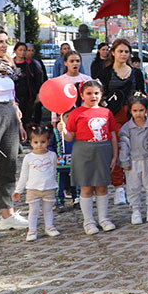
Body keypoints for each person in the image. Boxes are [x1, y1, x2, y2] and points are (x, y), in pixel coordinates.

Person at [62, 80, 119, 235]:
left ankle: (104, 219)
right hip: (83, 152)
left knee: (102, 186)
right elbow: (69, 137)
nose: (93, 96)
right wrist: (63, 131)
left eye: (96, 93)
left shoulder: (106, 113)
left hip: (103, 151)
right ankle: (88, 221)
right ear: (82, 95)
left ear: (101, 95)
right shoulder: (76, 113)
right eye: (89, 93)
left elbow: (113, 135)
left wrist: (114, 156)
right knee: (86, 187)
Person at [98, 39, 146, 205]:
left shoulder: (136, 73)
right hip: (114, 117)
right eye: (120, 51)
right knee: (117, 151)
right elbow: (100, 96)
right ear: (113, 53)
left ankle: (133, 186)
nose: (123, 54)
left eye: (126, 52)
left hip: (134, 116)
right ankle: (118, 187)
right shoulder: (105, 73)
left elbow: (142, 95)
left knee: (135, 150)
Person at [0, 27, 28, 236]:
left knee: (8, 166)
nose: (4, 45)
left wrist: (19, 121)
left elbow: (12, 95)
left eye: (5, 41)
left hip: (9, 114)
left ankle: (7, 216)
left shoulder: (7, 64)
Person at [13, 124, 60, 242]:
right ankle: (32, 230)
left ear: (48, 141)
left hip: (49, 188)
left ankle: (49, 227)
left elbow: (54, 171)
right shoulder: (28, 158)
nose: (39, 145)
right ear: (31, 142)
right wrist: (18, 190)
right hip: (33, 189)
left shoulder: (52, 155)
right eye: (36, 142)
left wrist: (54, 185)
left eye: (43, 142)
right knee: (33, 211)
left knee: (48, 210)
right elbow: (23, 176)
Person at [118, 94, 148, 225]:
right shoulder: (126, 128)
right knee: (133, 187)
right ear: (130, 111)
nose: (138, 113)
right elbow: (123, 146)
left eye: (141, 110)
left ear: (146, 110)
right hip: (132, 162)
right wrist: (124, 162)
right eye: (135, 110)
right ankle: (136, 210)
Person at [50, 51, 92, 124]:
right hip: (65, 118)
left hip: (84, 117)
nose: (75, 63)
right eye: (71, 61)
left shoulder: (87, 79)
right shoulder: (59, 81)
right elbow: (55, 102)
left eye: (77, 61)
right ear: (65, 63)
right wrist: (54, 120)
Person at [13, 42, 43, 130]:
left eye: (24, 50)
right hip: (15, 96)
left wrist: (38, 93)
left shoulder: (31, 64)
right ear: (15, 51)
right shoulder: (10, 64)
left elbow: (38, 79)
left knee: (28, 116)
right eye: (20, 50)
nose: (22, 52)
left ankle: (27, 135)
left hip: (29, 95)